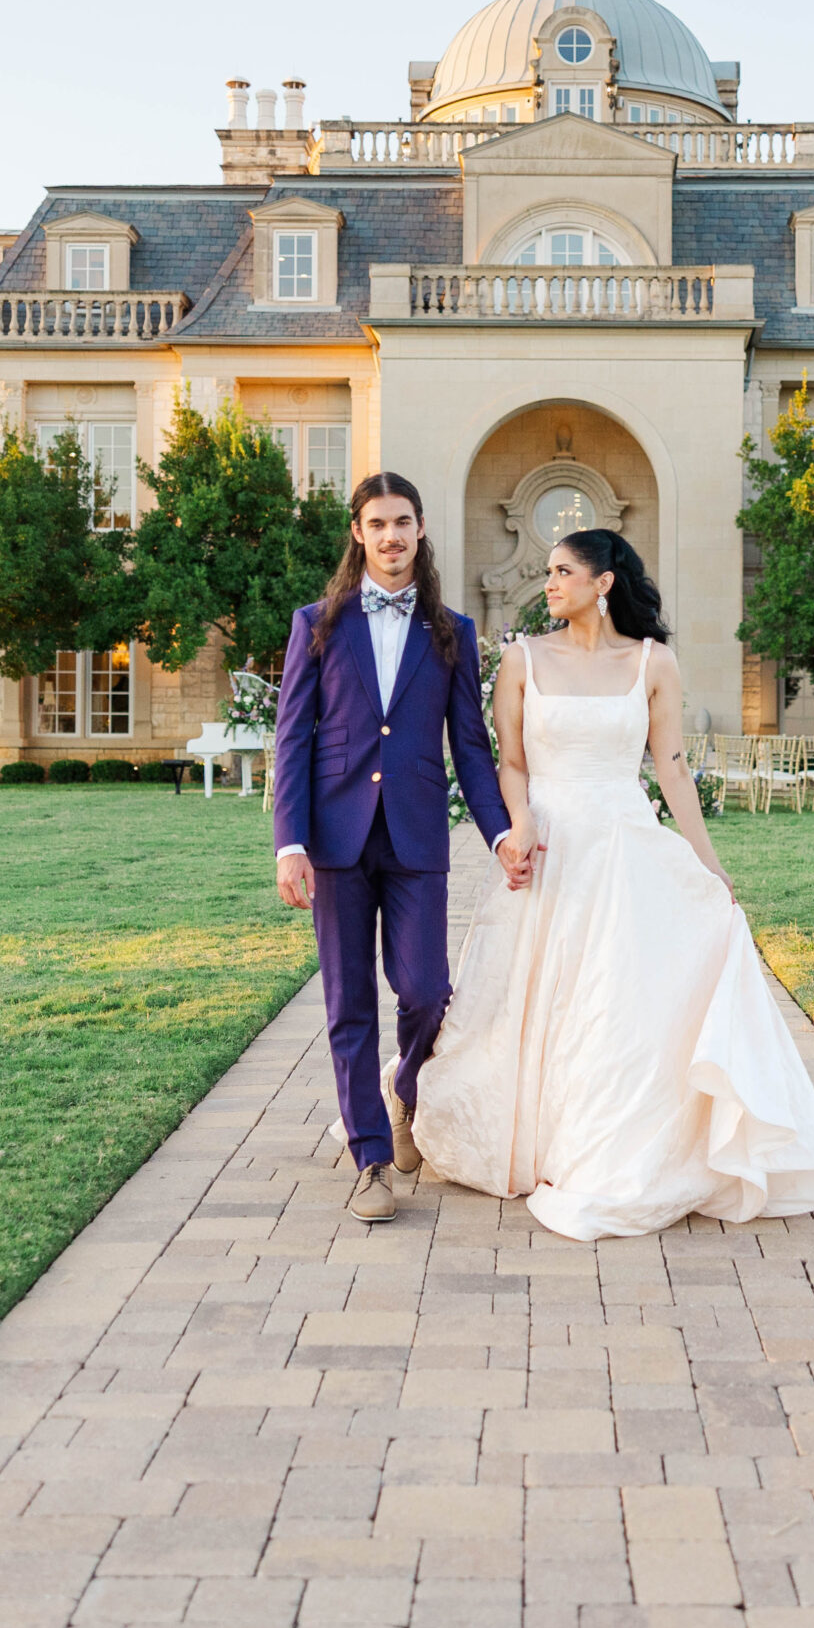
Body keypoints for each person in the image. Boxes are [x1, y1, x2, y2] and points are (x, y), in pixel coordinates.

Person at [412, 531, 814, 1240]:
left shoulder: (654, 663)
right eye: (547, 572)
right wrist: (519, 822)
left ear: (603, 582)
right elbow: (509, 760)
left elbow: (673, 770)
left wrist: (709, 865)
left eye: (564, 571)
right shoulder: (521, 658)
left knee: (615, 1006)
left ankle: (607, 1143)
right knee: (542, 998)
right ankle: (533, 1137)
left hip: (624, 846)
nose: (549, 583)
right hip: (553, 848)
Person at [271, 472, 529, 1223]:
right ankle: (372, 1159)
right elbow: (293, 739)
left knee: (424, 990)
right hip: (335, 839)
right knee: (348, 1002)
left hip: (417, 834)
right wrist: (290, 842)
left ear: (421, 530)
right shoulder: (316, 623)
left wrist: (503, 831)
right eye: (377, 523)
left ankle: (405, 1089)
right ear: (358, 532)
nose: (391, 536)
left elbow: (472, 748)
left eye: (403, 522)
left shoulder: (451, 631)